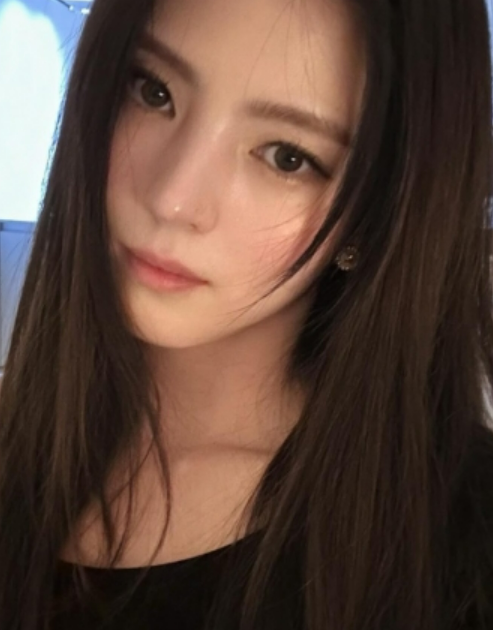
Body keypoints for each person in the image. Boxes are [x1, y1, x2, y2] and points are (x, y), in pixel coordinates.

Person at [1, 0, 493, 627]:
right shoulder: (22, 439)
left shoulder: (461, 543)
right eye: (153, 91)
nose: (173, 198)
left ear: (377, 215)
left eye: (287, 156)